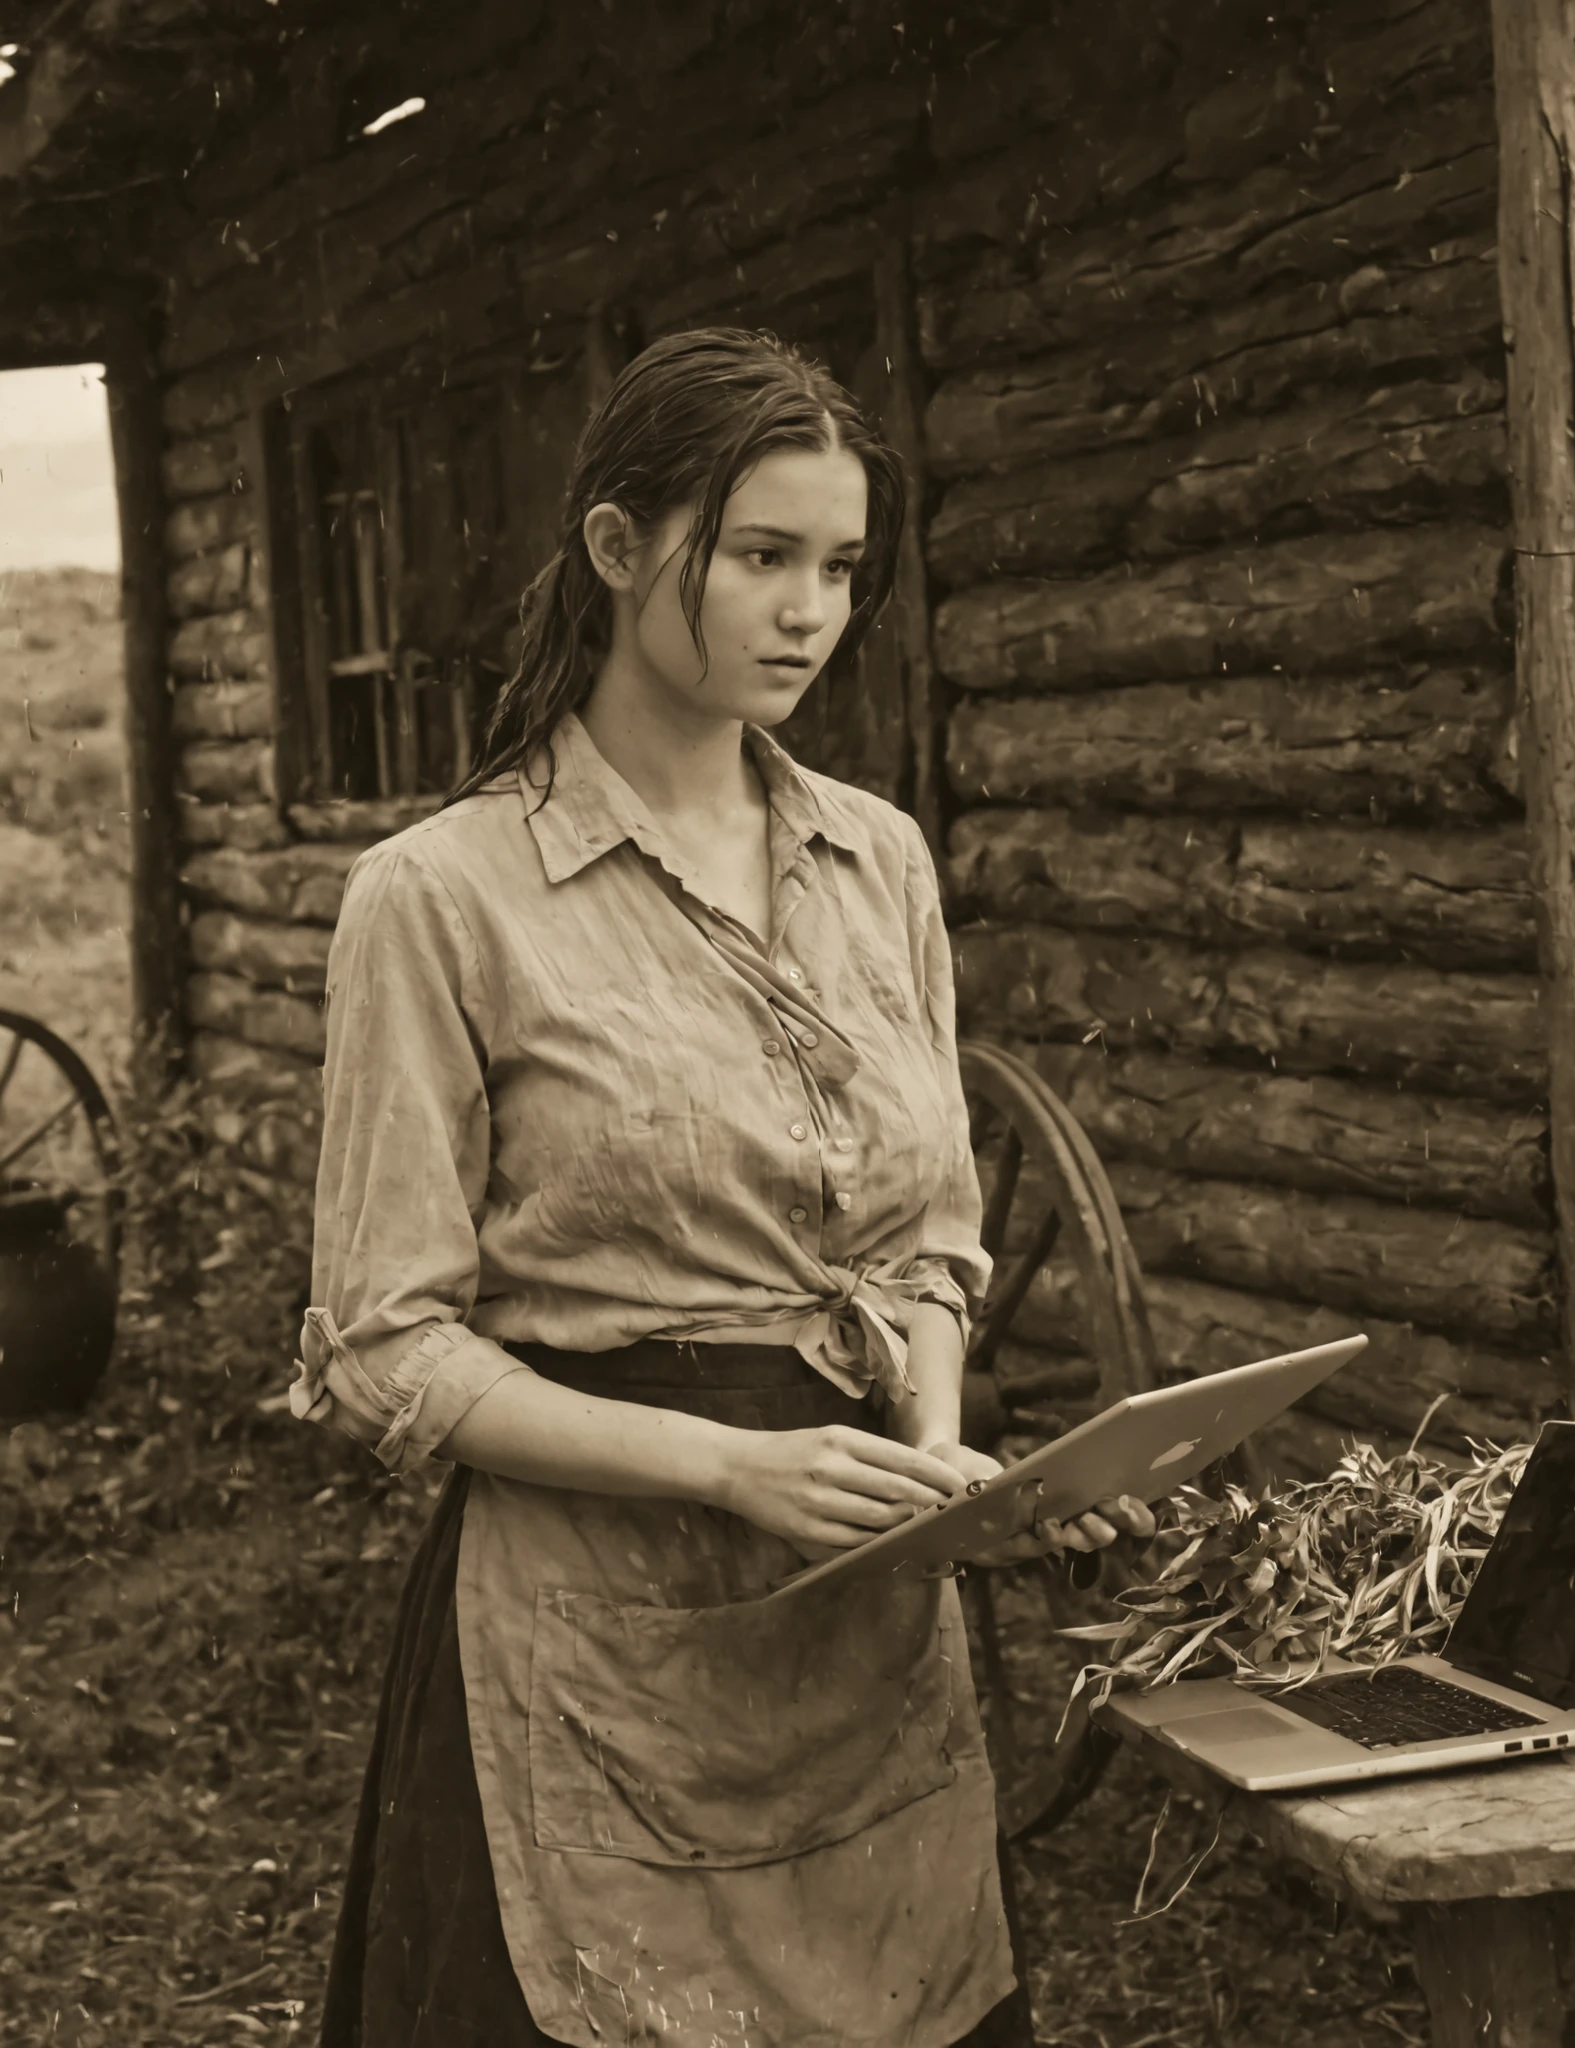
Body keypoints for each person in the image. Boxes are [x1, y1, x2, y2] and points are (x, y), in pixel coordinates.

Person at [292, 327, 1155, 2048]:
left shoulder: (875, 857)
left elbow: (924, 1241)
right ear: (619, 550)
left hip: (861, 1639)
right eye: (760, 556)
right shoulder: (444, 896)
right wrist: (730, 1465)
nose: (808, 612)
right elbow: (380, 1347)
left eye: (840, 568)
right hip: (594, 1636)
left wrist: (940, 1460)